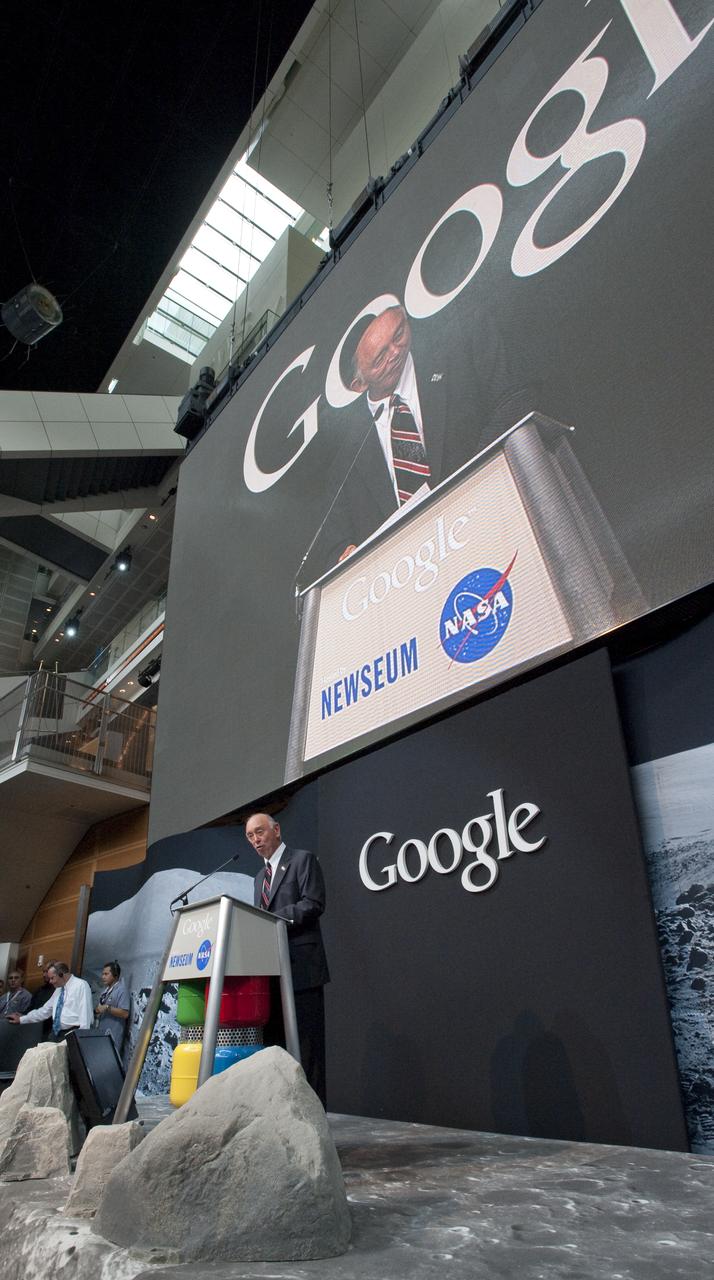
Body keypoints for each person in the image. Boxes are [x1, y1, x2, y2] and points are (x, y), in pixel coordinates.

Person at [311, 302, 535, 577]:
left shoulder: (457, 349)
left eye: (398, 335)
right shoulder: (345, 463)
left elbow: (514, 402)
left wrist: (471, 486)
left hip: (502, 526)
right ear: (359, 384)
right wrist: (345, 556)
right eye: (380, 358)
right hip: (422, 579)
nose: (396, 353)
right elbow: (333, 546)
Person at [246, 811, 329, 1106]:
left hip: (303, 971)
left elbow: (313, 903)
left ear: (276, 830)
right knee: (276, 1050)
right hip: (272, 975)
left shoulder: (302, 860)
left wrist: (270, 919)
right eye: (250, 836)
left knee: (308, 1051)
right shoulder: (259, 879)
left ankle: (316, 1120)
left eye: (260, 832)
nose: (255, 839)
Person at [8, 962, 93, 1041]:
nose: (50, 981)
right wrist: (22, 1019)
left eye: (52, 978)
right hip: (56, 1033)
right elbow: (44, 1011)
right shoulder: (59, 989)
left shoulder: (81, 985)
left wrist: (81, 1039)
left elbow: (85, 1015)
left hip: (73, 1033)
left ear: (61, 975)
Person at [94, 961, 130, 1056]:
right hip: (102, 1033)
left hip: (113, 1034)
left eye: (106, 974)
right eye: (102, 974)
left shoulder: (122, 990)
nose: (103, 977)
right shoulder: (105, 991)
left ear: (115, 975)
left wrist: (107, 1008)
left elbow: (125, 1013)